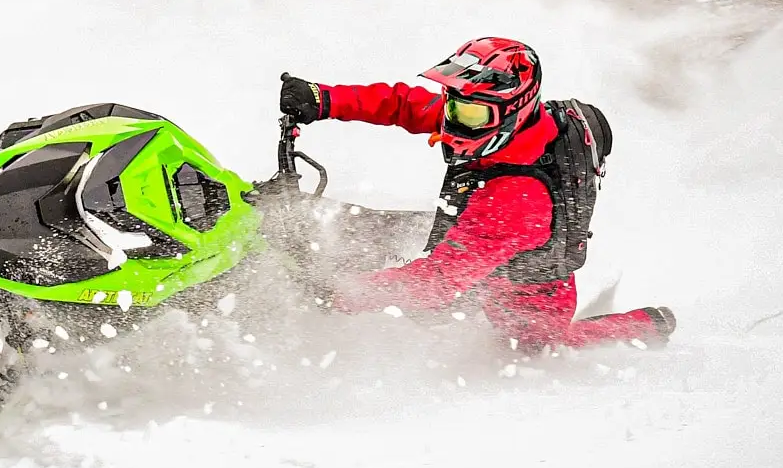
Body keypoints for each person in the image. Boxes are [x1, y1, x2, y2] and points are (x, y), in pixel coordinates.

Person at [280, 37, 675, 351]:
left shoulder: (517, 199)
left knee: (544, 348)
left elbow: (434, 286)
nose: (453, 123)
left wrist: (337, 293)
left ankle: (645, 324)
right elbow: (405, 105)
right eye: (454, 107)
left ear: (516, 111)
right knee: (363, 229)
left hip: (522, 302)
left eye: (470, 115)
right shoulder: (485, 114)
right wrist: (324, 99)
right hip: (474, 240)